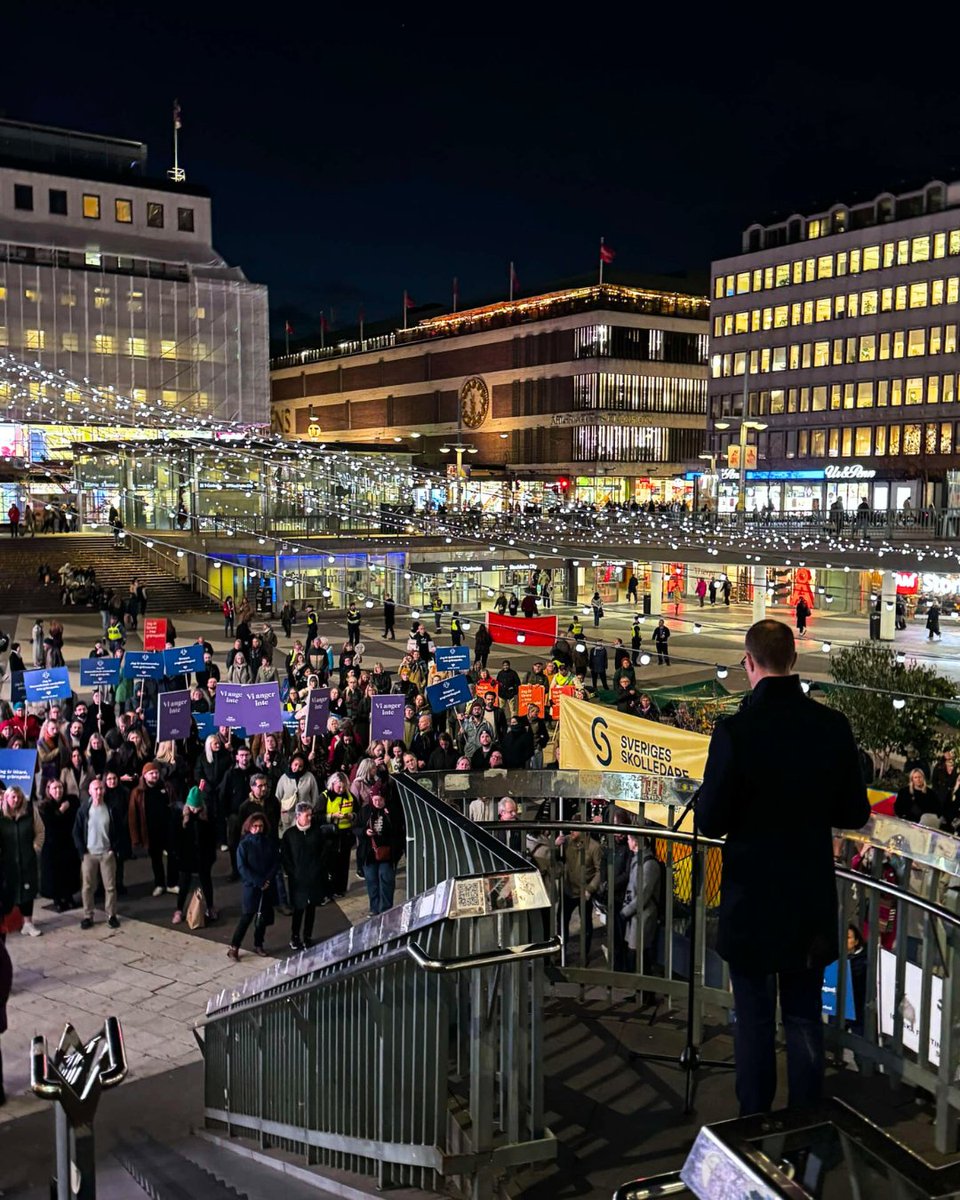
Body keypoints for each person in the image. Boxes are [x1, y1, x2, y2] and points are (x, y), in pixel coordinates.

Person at [695, 619, 870, 1116]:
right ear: (793, 660)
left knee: (752, 1020)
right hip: (807, 898)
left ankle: (754, 1125)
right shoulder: (831, 726)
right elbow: (855, 811)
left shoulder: (735, 731)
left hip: (751, 900)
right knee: (802, 1015)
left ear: (749, 663)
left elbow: (710, 821)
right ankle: (805, 1126)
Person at [228, 812, 279, 960]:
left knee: (262, 919)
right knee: (246, 917)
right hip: (251, 886)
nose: (258, 829)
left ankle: (258, 944)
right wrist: (259, 881)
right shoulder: (244, 845)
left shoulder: (268, 843)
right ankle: (234, 947)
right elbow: (242, 867)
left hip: (266, 886)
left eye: (260, 826)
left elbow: (275, 862)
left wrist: (267, 880)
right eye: (255, 826)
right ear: (249, 827)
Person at [73, 778, 122, 929]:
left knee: (110, 887)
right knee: (87, 887)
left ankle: (111, 915)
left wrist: (113, 848)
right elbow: (76, 831)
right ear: (90, 791)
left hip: (107, 854)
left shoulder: (111, 808)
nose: (99, 792)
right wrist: (82, 852)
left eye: (101, 788)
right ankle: (88, 915)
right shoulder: (84, 810)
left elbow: (119, 830)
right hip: (89, 854)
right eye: (95, 789)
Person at [281, 801, 330, 950]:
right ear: (298, 816)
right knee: (298, 909)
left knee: (311, 909)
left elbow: (324, 853)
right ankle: (295, 936)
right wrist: (292, 872)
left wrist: (318, 869)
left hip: (314, 878)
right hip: (297, 880)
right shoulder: (289, 835)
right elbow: (285, 857)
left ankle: (307, 936)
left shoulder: (317, 833)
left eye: (310, 815)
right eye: (307, 815)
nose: (310, 818)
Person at [0, 786, 44, 937]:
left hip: (27, 860)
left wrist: (35, 848)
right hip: (8, 862)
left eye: (19, 797)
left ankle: (28, 924)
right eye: (13, 797)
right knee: (9, 891)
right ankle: (9, 923)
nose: (16, 800)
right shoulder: (1, 816)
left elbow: (40, 831)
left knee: (27, 892)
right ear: (6, 798)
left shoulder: (30, 812)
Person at [358, 787, 405, 914]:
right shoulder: (365, 811)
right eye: (375, 800)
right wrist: (364, 832)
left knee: (386, 881)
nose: (377, 803)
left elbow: (399, 832)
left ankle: (386, 909)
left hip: (388, 853)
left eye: (380, 800)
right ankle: (374, 909)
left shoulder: (393, 811)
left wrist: (398, 851)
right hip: (369, 853)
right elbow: (356, 827)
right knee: (372, 882)